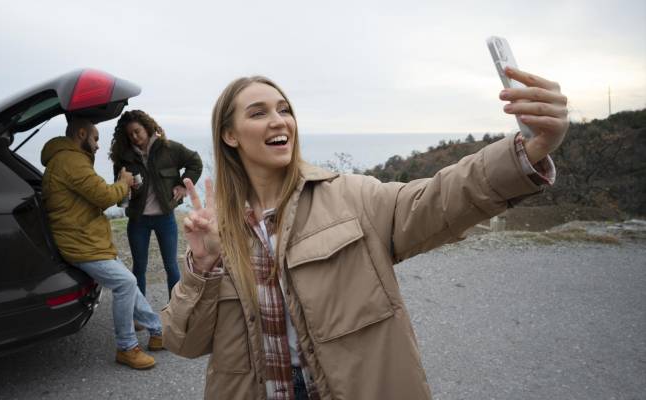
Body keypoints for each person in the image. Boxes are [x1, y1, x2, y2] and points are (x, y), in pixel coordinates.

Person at [161, 67, 568, 399]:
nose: (279, 120)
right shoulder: (219, 230)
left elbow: (443, 197)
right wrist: (203, 264)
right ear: (230, 136)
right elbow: (184, 342)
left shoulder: (353, 197)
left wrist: (527, 152)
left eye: (284, 109)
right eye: (257, 112)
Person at [41, 116, 164, 370]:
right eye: (95, 139)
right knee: (126, 283)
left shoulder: (67, 159)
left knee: (128, 283)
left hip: (87, 239)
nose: (98, 146)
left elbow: (92, 193)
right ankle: (127, 347)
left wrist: (118, 185)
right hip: (80, 243)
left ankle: (157, 330)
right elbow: (105, 196)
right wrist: (124, 183)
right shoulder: (70, 161)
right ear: (81, 134)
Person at [109, 110, 203, 302]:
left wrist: (183, 185)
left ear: (147, 127)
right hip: (137, 220)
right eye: (130, 135)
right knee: (139, 267)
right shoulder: (124, 158)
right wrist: (126, 186)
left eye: (137, 131)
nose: (135, 137)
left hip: (165, 218)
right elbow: (121, 196)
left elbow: (195, 162)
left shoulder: (169, 149)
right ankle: (140, 314)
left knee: (171, 266)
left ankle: (175, 311)